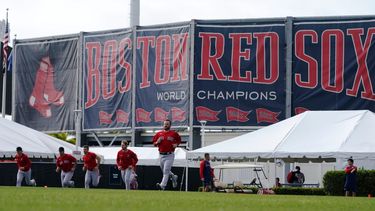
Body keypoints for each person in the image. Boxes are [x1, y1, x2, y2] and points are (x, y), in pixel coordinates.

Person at [153, 119, 181, 190]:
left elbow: (179, 140)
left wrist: (176, 144)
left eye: (167, 124)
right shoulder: (159, 134)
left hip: (169, 155)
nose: (165, 125)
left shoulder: (174, 133)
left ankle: (162, 186)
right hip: (161, 155)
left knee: (166, 171)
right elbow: (154, 143)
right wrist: (157, 142)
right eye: (164, 124)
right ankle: (173, 177)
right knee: (165, 171)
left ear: (170, 125)